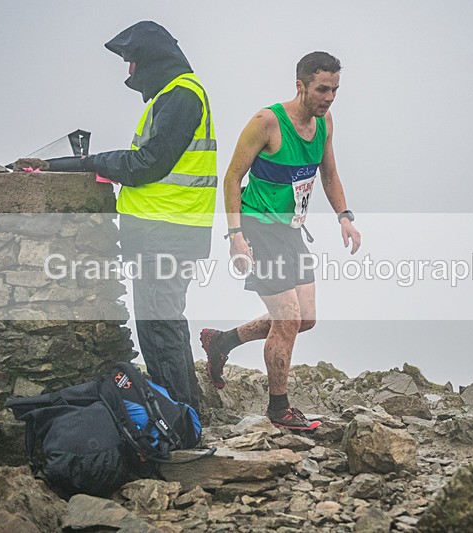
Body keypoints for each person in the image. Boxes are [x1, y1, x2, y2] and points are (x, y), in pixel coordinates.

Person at [201, 52, 361, 430]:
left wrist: (344, 216)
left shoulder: (324, 123)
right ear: (300, 85)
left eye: (335, 90)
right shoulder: (266, 122)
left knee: (305, 318)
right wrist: (235, 236)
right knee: (287, 319)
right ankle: (279, 409)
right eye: (323, 89)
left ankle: (222, 341)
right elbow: (231, 178)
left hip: (290, 229)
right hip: (257, 227)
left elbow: (329, 173)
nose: (329, 97)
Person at [76, 22, 216, 415]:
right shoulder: (174, 95)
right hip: (166, 229)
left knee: (160, 325)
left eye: (133, 62)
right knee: (163, 322)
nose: (130, 73)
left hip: (167, 230)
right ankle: (185, 410)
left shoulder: (182, 96)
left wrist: (94, 161)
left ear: (152, 60)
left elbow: (147, 164)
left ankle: (177, 417)